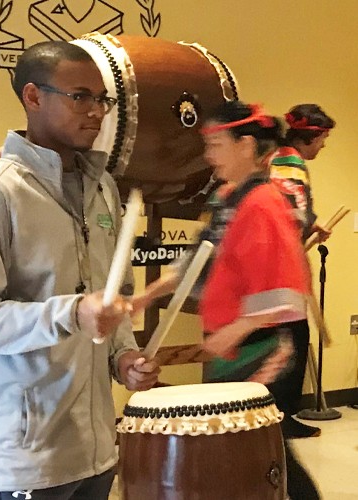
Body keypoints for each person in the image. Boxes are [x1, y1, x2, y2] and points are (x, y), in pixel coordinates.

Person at [0, 41, 160, 500]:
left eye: (102, 99)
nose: (96, 111)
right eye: (80, 97)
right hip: (26, 452)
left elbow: (113, 296)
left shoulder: (103, 188)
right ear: (33, 97)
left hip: (96, 443)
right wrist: (71, 312)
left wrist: (123, 356)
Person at [133, 101, 320, 499]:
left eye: (216, 144)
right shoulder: (228, 198)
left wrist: (238, 327)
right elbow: (200, 261)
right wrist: (144, 297)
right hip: (234, 343)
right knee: (248, 446)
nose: (208, 155)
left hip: (267, 345)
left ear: (247, 146)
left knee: (262, 446)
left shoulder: (265, 204)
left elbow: (287, 290)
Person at [269, 104, 336, 439]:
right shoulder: (290, 162)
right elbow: (287, 211)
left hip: (276, 270)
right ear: (311, 137)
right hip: (279, 273)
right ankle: (282, 419)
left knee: (287, 343)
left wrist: (313, 222)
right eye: (323, 138)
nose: (324, 146)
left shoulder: (279, 158)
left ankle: (280, 418)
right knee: (292, 343)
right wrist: (309, 223)